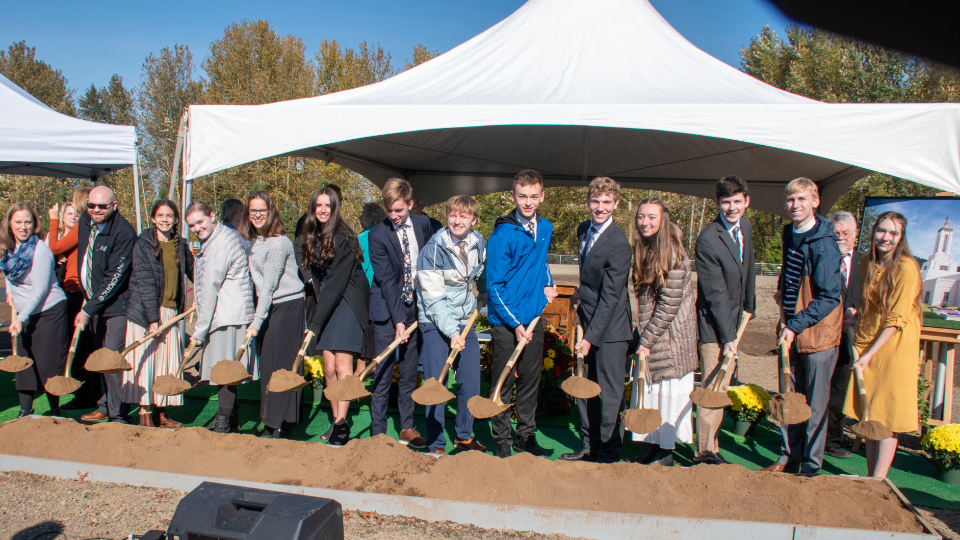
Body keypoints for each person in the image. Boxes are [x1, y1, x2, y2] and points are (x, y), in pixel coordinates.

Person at [761, 177, 842, 476]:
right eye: (791, 201)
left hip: (817, 332)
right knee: (790, 397)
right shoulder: (790, 234)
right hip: (791, 328)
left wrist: (796, 324)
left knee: (815, 403)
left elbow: (830, 296)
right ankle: (788, 457)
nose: (795, 206)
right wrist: (784, 289)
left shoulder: (824, 243)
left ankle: (809, 467)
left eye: (802, 200)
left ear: (815, 202)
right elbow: (792, 271)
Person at [843, 211, 921, 478]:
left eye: (893, 233)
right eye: (882, 231)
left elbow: (896, 318)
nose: (885, 238)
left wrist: (869, 355)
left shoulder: (906, 267)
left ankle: (879, 480)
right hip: (868, 337)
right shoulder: (866, 262)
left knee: (886, 413)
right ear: (874, 231)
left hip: (894, 344)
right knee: (870, 412)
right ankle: (870, 478)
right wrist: (854, 320)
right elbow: (866, 303)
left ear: (901, 238)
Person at [486, 169, 557, 459]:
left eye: (533, 196)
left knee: (530, 379)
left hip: (533, 316)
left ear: (541, 197)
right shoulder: (503, 235)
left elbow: (541, 265)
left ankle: (525, 436)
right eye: (522, 196)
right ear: (513, 196)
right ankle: (502, 438)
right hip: (506, 320)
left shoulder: (547, 228)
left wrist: (549, 283)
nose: (528, 202)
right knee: (503, 380)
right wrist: (514, 323)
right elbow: (494, 285)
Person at [561, 177, 632, 464]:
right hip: (588, 321)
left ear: (615, 204)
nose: (599, 207)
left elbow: (611, 296)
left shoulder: (619, 244)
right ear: (588, 202)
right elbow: (590, 282)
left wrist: (590, 338)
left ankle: (609, 451)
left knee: (611, 392)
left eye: (606, 202)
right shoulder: (583, 230)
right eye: (595, 201)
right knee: (584, 386)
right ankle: (589, 446)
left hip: (612, 329)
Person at [367, 178, 437, 448]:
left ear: (410, 204)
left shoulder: (423, 225)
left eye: (399, 210)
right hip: (387, 309)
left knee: (409, 373)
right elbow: (386, 280)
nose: (394, 216)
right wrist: (398, 321)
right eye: (389, 211)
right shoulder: (378, 235)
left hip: (416, 308)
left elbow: (430, 266)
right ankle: (379, 434)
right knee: (383, 372)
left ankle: (407, 427)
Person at [692, 176, 757, 465]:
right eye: (726, 202)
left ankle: (714, 448)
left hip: (734, 321)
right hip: (714, 328)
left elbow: (749, 268)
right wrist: (728, 338)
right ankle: (705, 451)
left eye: (737, 202)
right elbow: (715, 293)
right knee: (712, 390)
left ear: (746, 201)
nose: (732, 208)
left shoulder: (745, 227)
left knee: (723, 387)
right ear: (718, 203)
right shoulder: (708, 239)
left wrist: (750, 306)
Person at [627, 198, 697, 467]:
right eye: (641, 217)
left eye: (652, 217)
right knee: (653, 395)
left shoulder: (673, 254)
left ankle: (665, 453)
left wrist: (645, 341)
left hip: (671, 340)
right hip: (655, 336)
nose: (645, 222)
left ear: (663, 219)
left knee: (668, 396)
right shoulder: (646, 248)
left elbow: (669, 306)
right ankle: (652, 446)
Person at [417, 195, 488, 456]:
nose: (457, 220)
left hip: (464, 321)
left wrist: (482, 292)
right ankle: (436, 443)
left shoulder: (479, 243)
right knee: (438, 383)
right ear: (447, 217)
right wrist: (452, 333)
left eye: (463, 216)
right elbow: (434, 300)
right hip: (435, 321)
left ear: (473, 219)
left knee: (471, 380)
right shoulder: (432, 251)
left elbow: (479, 274)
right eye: (452, 215)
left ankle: (464, 437)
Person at [302, 186, 370, 446]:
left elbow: (336, 283)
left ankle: (342, 425)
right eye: (318, 205)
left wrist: (315, 322)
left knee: (343, 368)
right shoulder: (315, 235)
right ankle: (335, 420)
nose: (322, 210)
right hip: (330, 302)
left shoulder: (342, 237)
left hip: (348, 303)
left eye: (327, 206)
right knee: (328, 369)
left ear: (335, 208)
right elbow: (316, 277)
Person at [122, 199, 194, 428]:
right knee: (147, 362)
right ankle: (144, 413)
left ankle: (161, 413)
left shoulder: (180, 244)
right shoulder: (142, 244)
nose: (165, 219)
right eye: (160, 215)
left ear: (175, 220)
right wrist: (153, 320)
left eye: (169, 216)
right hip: (145, 312)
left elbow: (194, 270)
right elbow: (144, 283)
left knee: (166, 364)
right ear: (153, 219)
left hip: (171, 311)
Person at [186, 200, 256, 434]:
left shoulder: (218, 244)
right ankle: (231, 421)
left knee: (224, 372)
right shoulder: (220, 236)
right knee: (228, 371)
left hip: (227, 315)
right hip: (233, 311)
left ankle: (223, 423)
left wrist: (200, 330)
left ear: (212, 215)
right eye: (192, 225)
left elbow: (210, 288)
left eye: (200, 222)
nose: (196, 228)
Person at [243, 191, 305, 439]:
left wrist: (256, 322)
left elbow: (267, 285)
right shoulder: (255, 241)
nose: (257, 215)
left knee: (283, 367)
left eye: (262, 210)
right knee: (268, 365)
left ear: (271, 213)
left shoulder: (279, 242)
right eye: (252, 211)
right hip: (270, 306)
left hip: (288, 305)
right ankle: (275, 421)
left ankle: (280, 425)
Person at [75, 186, 137, 424]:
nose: (96, 210)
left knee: (111, 360)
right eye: (91, 205)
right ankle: (105, 404)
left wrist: (88, 308)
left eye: (102, 206)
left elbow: (115, 277)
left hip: (115, 307)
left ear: (114, 205)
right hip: (93, 302)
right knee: (100, 358)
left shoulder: (124, 233)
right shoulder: (85, 221)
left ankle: (117, 415)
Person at [1, 202, 68, 417]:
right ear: (9, 224)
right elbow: (9, 271)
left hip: (49, 310)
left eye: (27, 222)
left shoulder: (40, 250)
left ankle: (55, 411)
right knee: (23, 360)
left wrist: (21, 318)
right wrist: (10, 292)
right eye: (18, 222)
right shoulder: (7, 248)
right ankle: (25, 410)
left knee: (48, 362)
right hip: (24, 312)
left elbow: (39, 290)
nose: (23, 227)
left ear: (34, 224)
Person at [47, 188, 99, 408]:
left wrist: (52, 221)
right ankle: (88, 392)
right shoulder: (86, 226)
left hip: (77, 290)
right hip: (75, 288)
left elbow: (53, 246)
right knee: (82, 343)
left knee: (80, 344)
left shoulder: (82, 226)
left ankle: (87, 394)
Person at [825, 210, 862, 459]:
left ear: (855, 235)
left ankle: (833, 441)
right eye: (836, 233)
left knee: (839, 390)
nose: (841, 238)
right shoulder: (824, 258)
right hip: (824, 334)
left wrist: (857, 314)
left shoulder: (864, 264)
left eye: (845, 233)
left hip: (851, 336)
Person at [357, 202, 386, 376]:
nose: (360, 217)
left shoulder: (364, 236)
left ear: (368, 216)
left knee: (364, 330)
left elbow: (361, 265)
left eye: (362, 214)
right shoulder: (383, 234)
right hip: (381, 290)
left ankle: (362, 368)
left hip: (366, 289)